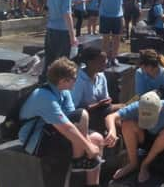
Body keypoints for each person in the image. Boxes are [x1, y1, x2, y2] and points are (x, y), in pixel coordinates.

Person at [19, 58, 104, 187]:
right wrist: (87, 147)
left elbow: (73, 120)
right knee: (83, 114)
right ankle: (78, 161)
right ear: (63, 80)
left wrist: (89, 143)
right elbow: (66, 127)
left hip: (52, 130)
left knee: (97, 139)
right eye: (74, 78)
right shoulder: (44, 96)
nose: (76, 81)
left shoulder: (64, 92)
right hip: (36, 139)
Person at [104, 91, 164, 183]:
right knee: (127, 124)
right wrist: (112, 130)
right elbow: (111, 117)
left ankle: (145, 164)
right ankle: (133, 163)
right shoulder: (138, 105)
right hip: (147, 137)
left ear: (159, 109)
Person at [72, 47, 122, 132]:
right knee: (120, 111)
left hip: (100, 110)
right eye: (101, 61)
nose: (105, 63)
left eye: (105, 61)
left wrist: (107, 101)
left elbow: (104, 98)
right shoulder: (78, 80)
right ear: (90, 62)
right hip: (84, 117)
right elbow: (74, 109)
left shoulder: (101, 76)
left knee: (123, 110)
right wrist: (98, 105)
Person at [42, 0, 77, 82]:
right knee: (62, 63)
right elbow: (67, 15)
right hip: (62, 31)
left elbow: (48, 10)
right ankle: (60, 87)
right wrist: (73, 36)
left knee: (49, 60)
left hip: (50, 28)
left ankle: (44, 83)